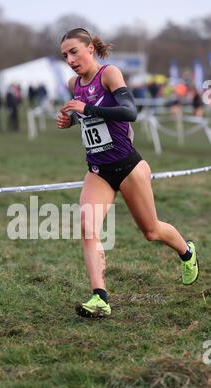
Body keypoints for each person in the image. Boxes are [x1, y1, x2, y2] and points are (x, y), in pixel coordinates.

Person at [57, 28, 199, 319]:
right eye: (65, 55)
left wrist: (88, 108)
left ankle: (187, 252)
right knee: (87, 228)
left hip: (129, 167)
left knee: (151, 231)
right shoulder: (74, 83)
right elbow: (86, 117)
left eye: (74, 52)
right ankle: (100, 297)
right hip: (98, 170)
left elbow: (129, 111)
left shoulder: (108, 74)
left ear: (90, 49)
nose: (70, 60)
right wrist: (70, 119)